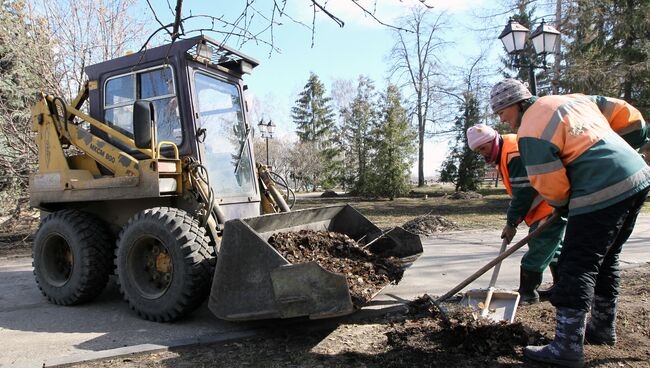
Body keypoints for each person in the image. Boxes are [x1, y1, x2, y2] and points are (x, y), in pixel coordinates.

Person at [489, 78, 650, 368]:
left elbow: (549, 183)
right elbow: (628, 114)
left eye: (502, 112)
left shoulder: (530, 131)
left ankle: (566, 346)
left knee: (577, 264)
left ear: (515, 103)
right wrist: (631, 146)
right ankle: (602, 327)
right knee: (606, 257)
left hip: (601, 187)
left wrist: (562, 206)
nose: (502, 119)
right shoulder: (572, 99)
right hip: (637, 177)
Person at [466, 124, 566, 304]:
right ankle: (563, 287)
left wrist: (511, 223)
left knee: (539, 247)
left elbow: (523, 193)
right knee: (553, 248)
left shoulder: (513, 153)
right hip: (544, 204)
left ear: (492, 140)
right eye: (478, 151)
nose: (482, 153)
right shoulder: (503, 150)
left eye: (483, 148)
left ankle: (527, 292)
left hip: (550, 205)